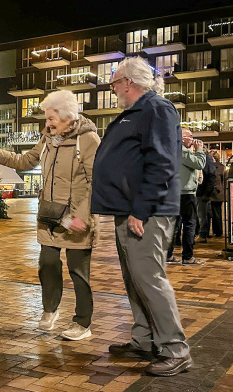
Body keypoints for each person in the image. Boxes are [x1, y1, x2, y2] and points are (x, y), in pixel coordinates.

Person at [91, 56, 193, 377]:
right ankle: (144, 340)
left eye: (114, 82)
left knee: (148, 278)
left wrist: (141, 209)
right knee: (135, 278)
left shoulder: (157, 109)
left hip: (147, 212)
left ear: (128, 82)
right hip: (129, 209)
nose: (112, 88)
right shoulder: (138, 111)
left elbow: (162, 163)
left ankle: (175, 349)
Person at [0, 90, 100, 341]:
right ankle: (50, 308)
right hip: (50, 215)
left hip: (76, 218)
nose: (47, 123)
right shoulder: (48, 138)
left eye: (51, 118)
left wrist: (83, 216)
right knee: (47, 263)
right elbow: (26, 160)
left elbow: (96, 181)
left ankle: (82, 323)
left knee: (78, 272)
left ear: (68, 117)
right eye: (47, 118)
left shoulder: (88, 139)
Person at [167, 129, 206, 265]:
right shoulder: (182, 152)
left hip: (174, 193)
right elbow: (199, 164)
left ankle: (168, 255)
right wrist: (199, 150)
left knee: (174, 225)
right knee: (189, 224)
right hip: (185, 193)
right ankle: (188, 256)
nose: (193, 140)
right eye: (191, 137)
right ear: (183, 138)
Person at [195, 146, 216, 243]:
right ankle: (203, 233)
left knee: (202, 214)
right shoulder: (208, 160)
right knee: (203, 214)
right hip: (203, 192)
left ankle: (202, 234)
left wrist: (207, 194)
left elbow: (211, 177)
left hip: (202, 192)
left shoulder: (207, 160)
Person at [209, 150, 226, 238]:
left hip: (216, 193)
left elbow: (224, 180)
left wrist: (220, 188)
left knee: (216, 213)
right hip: (215, 193)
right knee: (215, 213)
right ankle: (217, 231)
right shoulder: (221, 167)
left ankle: (218, 231)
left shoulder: (219, 167)